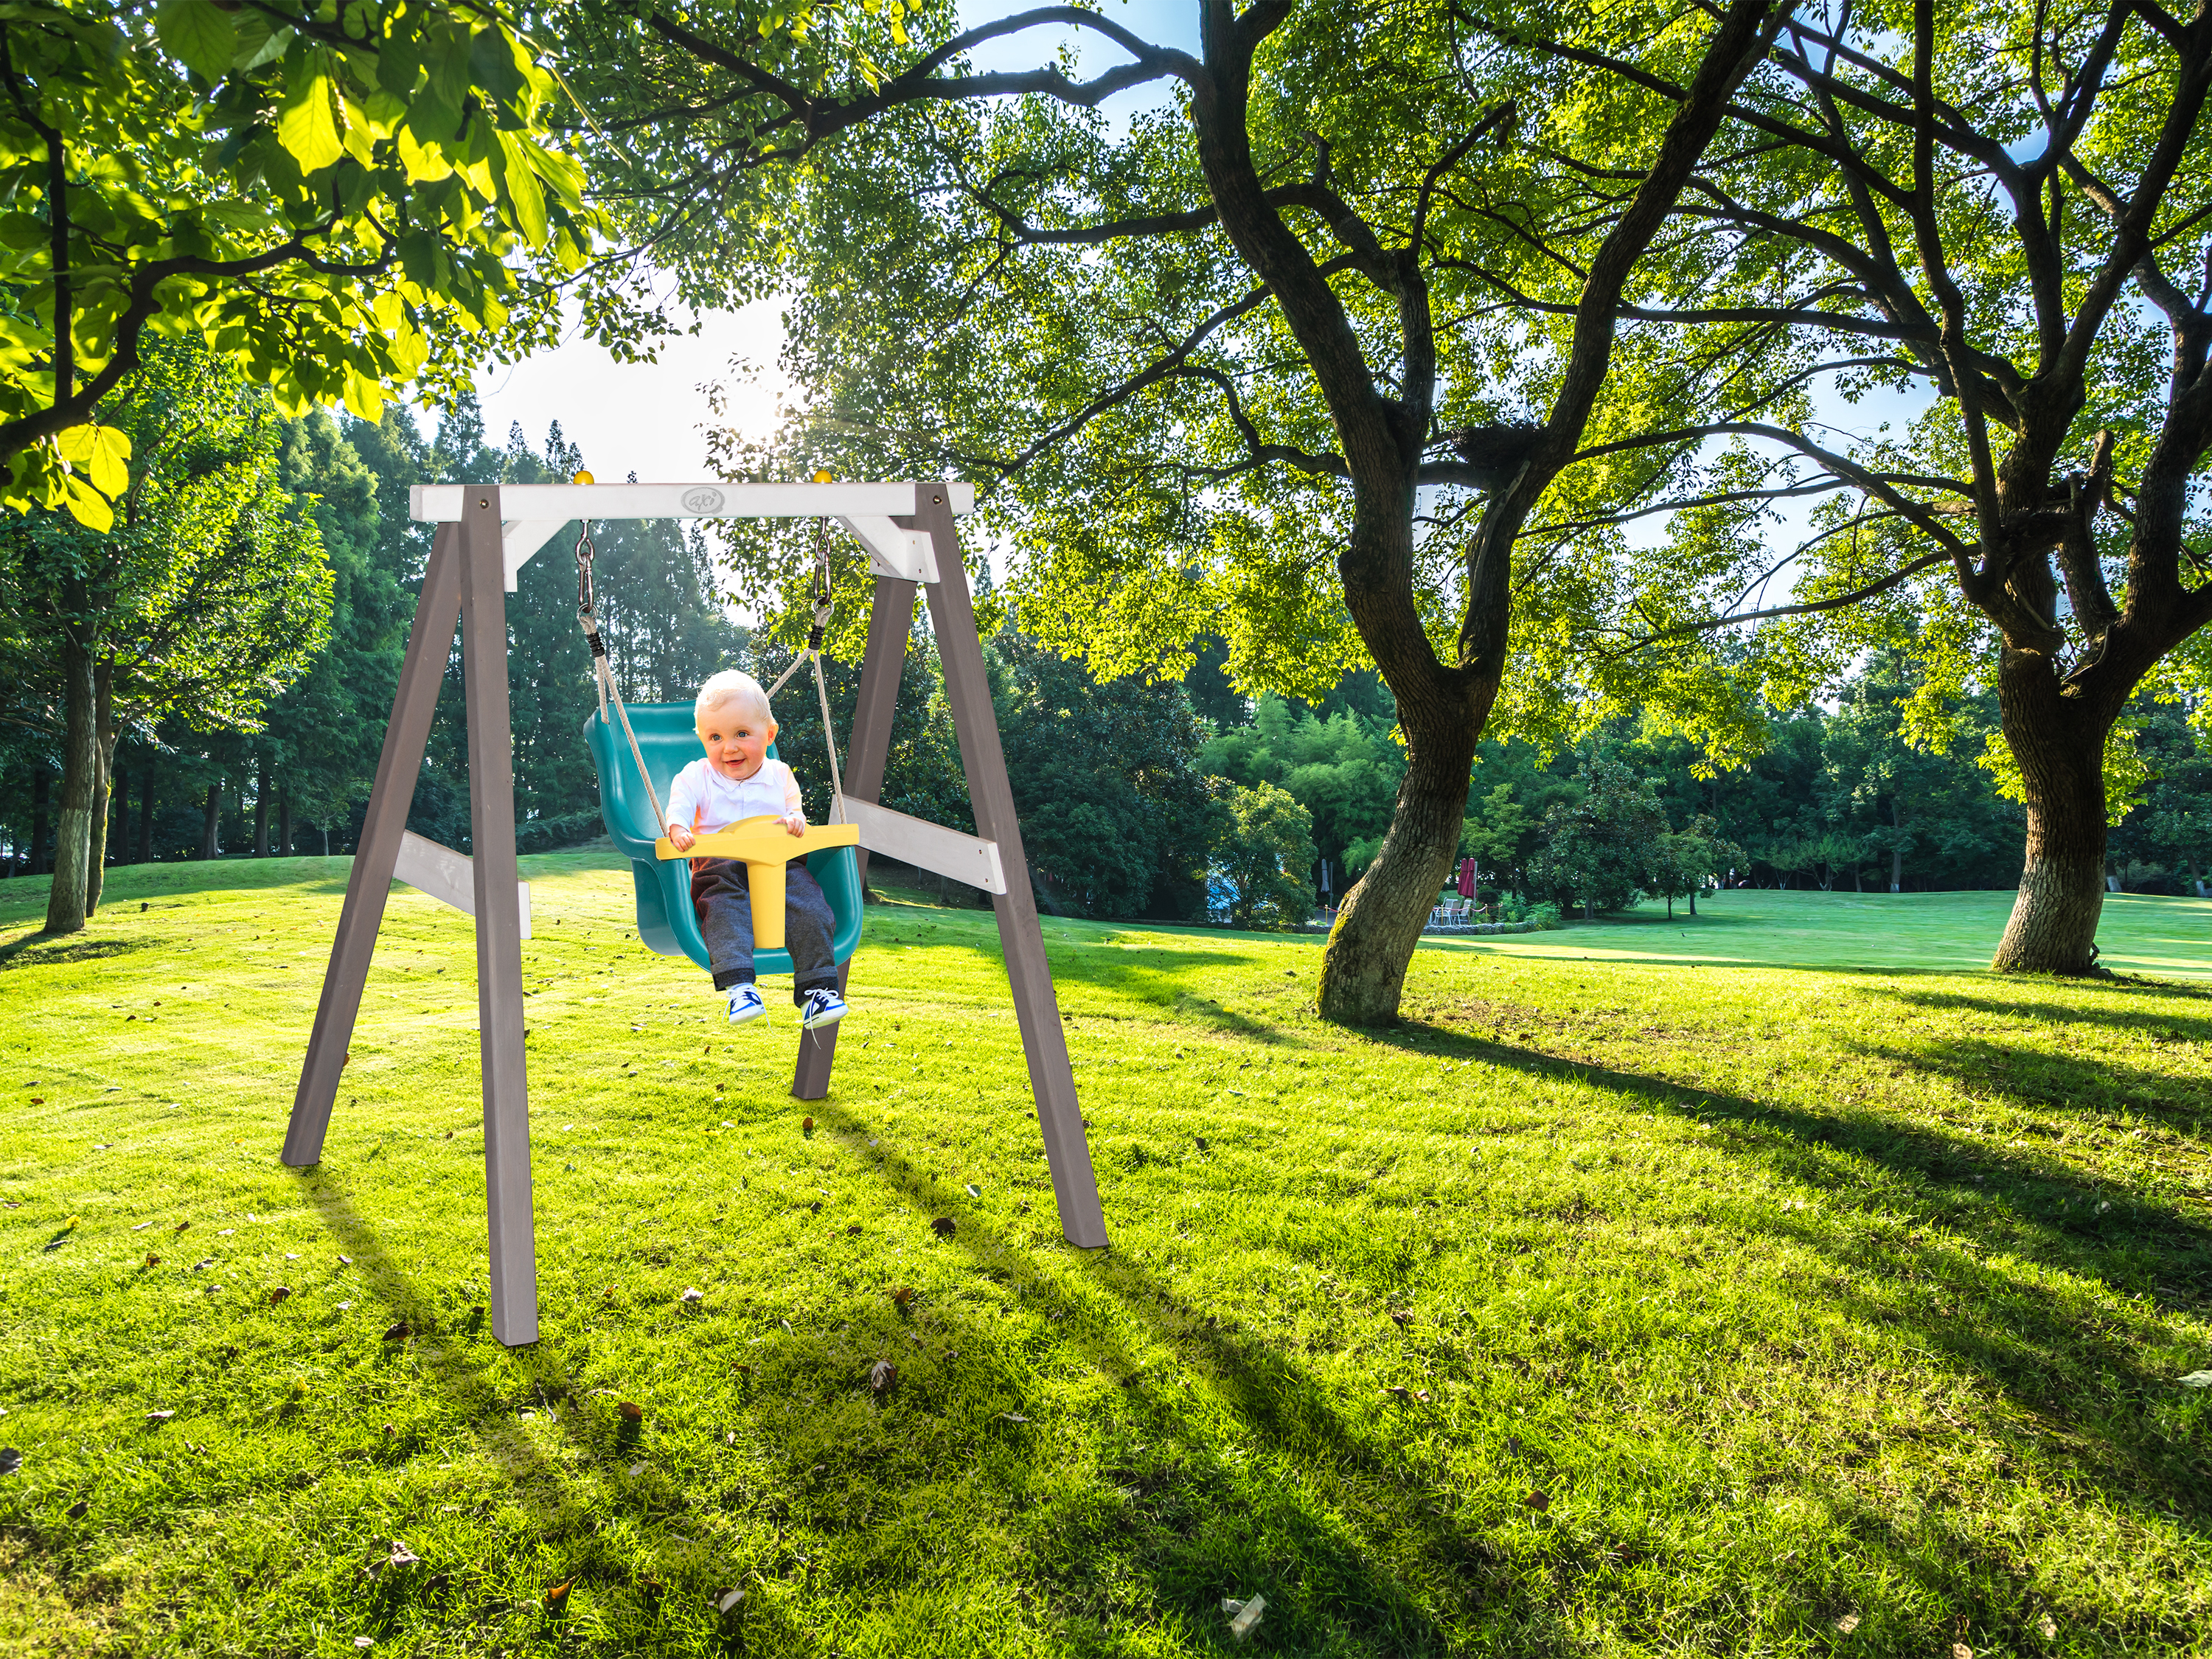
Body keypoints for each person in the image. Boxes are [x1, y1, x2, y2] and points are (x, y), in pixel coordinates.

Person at [664, 669, 847, 1029]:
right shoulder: (696, 775)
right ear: (702, 740)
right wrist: (678, 827)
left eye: (742, 734)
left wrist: (796, 820)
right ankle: (740, 987)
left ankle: (817, 993)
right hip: (720, 866)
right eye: (715, 737)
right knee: (722, 909)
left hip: (781, 864)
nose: (729, 747)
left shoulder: (780, 774)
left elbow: (794, 810)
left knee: (811, 906)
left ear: (770, 735)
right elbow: (680, 805)